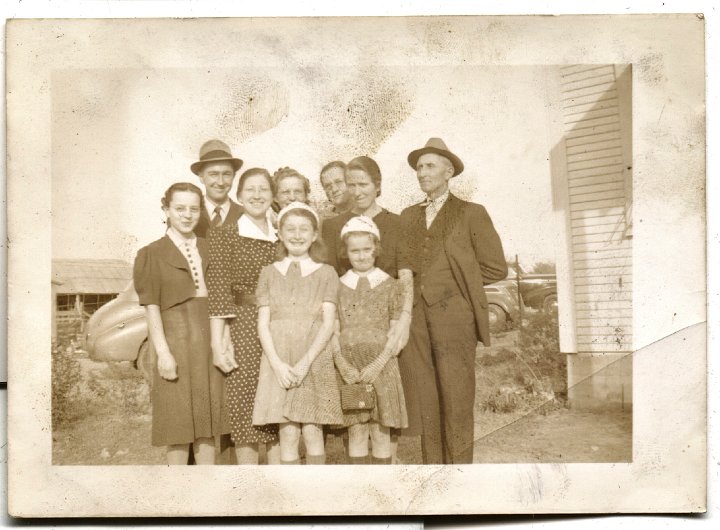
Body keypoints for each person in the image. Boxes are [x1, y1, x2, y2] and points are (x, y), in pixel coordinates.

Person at [396, 137, 507, 465]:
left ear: (449, 171)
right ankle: (434, 473)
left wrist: (457, 288)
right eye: (419, 167)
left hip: (456, 321)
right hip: (417, 323)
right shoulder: (408, 216)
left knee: (456, 400)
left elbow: (495, 267)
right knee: (427, 401)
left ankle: (459, 475)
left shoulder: (471, 214)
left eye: (429, 166)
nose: (421, 173)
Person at [133, 182, 230, 465]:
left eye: (193, 209)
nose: (187, 215)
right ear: (166, 210)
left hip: (207, 342)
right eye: (180, 209)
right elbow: (152, 309)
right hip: (174, 344)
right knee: (177, 426)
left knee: (207, 425)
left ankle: (207, 495)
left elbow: (221, 303)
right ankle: (179, 498)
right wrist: (162, 353)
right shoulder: (150, 253)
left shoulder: (210, 248)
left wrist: (221, 345)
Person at [252, 202, 343, 464]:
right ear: (279, 233)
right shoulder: (268, 273)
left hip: (312, 358)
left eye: (304, 229)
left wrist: (304, 364)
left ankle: (314, 496)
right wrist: (277, 365)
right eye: (290, 228)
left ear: (315, 235)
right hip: (278, 358)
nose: (297, 234)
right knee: (288, 432)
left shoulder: (326, 272)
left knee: (313, 431)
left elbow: (327, 324)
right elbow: (263, 324)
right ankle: (292, 496)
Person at [206, 168, 281, 464]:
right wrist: (218, 342)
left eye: (263, 189)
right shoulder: (226, 234)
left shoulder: (283, 235)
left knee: (278, 406)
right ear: (239, 196)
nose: (257, 195)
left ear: (273, 197)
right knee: (245, 406)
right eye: (250, 189)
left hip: (279, 327)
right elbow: (219, 289)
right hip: (243, 325)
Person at [334, 216, 408, 465]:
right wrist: (343, 366)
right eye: (355, 251)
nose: (362, 255)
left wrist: (378, 364)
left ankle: (380, 494)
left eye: (367, 249)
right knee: (355, 431)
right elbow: (333, 330)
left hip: (382, 366)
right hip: (350, 368)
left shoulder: (390, 285)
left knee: (380, 431)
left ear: (376, 249)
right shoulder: (338, 285)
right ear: (346, 252)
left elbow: (396, 330)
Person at [322, 156, 401, 278]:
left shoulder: (398, 224)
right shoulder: (332, 226)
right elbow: (329, 277)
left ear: (377, 186)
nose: (357, 193)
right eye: (352, 185)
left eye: (363, 184)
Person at [190, 139, 244, 237]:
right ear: (201, 177)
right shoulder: (188, 214)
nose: (220, 182)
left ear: (234, 176)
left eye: (226, 174)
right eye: (213, 174)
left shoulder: (246, 215)